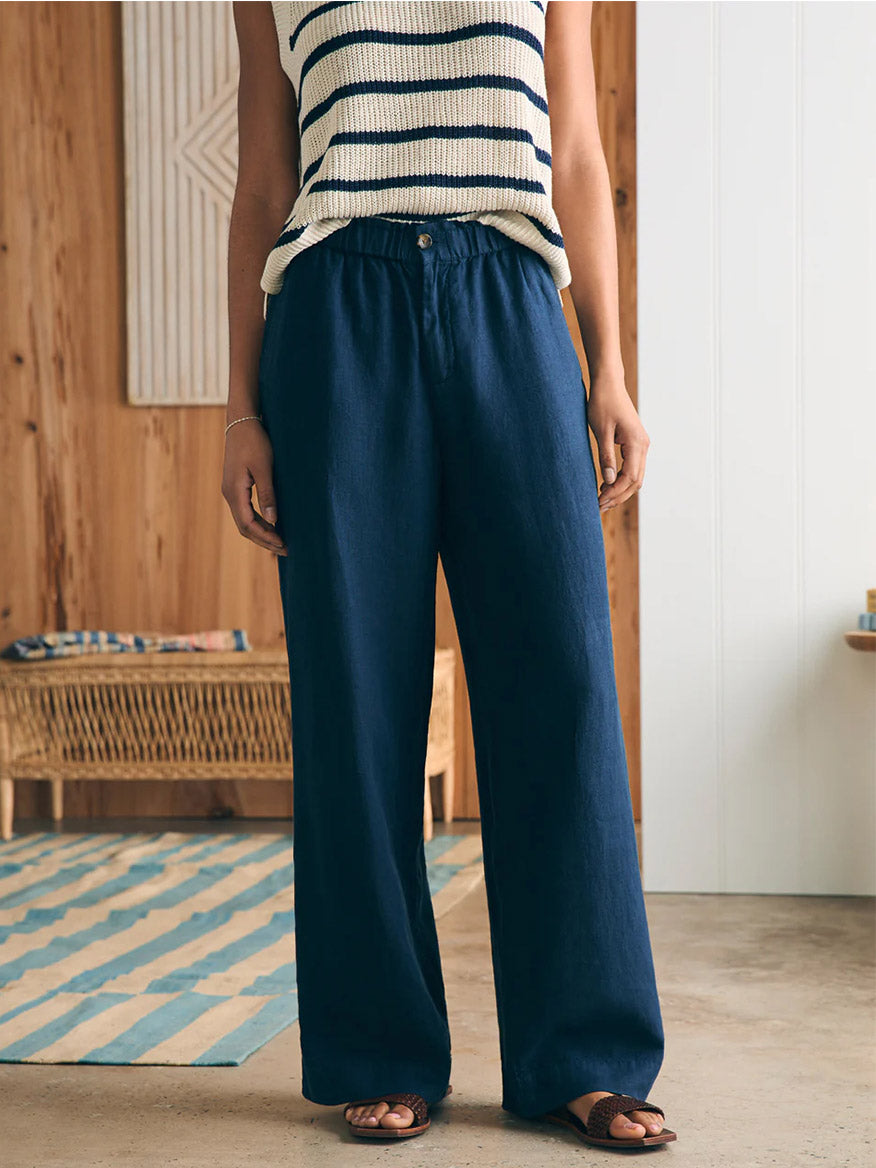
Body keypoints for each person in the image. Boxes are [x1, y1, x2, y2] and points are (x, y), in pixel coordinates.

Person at [223, 0, 676, 1150]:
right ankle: (383, 1048)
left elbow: (573, 144)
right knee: (355, 701)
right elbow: (266, 171)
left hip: (511, 301)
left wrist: (610, 365)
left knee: (562, 683)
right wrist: (241, 405)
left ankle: (585, 1052)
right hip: (335, 309)